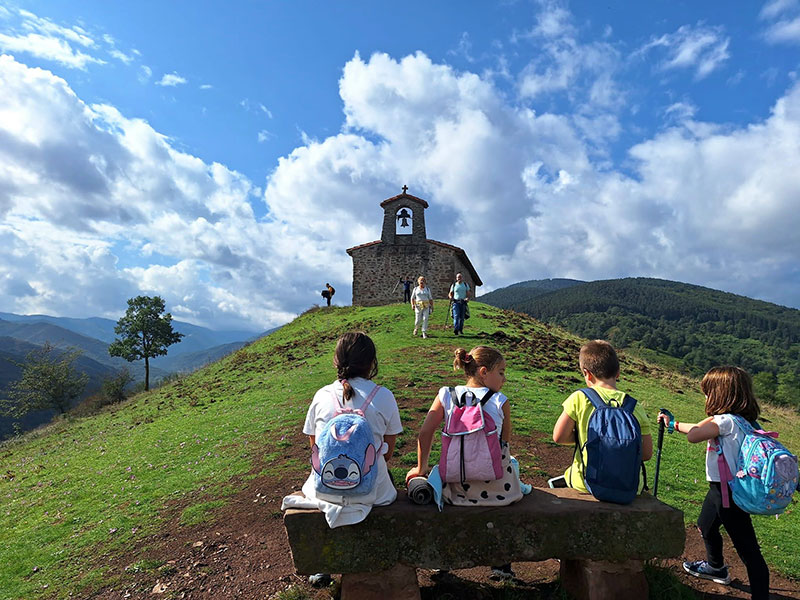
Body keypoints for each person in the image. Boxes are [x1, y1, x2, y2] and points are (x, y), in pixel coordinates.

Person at [405, 345, 528, 581]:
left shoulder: (445, 395)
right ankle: (501, 567)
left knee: (437, 475)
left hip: (456, 487)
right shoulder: (501, 401)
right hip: (498, 491)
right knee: (512, 463)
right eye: (501, 372)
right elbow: (505, 445)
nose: (504, 378)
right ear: (483, 372)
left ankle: (443, 563)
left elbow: (424, 433)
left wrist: (420, 468)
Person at [656, 367, 769, 599]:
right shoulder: (746, 421)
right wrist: (673, 424)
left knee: (748, 549)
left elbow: (695, 435)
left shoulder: (724, 421)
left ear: (720, 395)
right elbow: (698, 429)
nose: (705, 397)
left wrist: (710, 416)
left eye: (708, 393)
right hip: (721, 489)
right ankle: (715, 567)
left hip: (727, 493)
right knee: (706, 524)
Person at [281, 332, 402, 529]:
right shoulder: (384, 396)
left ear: (336, 361)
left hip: (321, 490)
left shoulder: (321, 395)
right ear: (372, 363)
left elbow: (316, 450)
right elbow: (387, 454)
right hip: (375, 493)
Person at [551, 340, 653, 492]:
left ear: (587, 373)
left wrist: (588, 438)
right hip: (627, 488)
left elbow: (559, 437)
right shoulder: (635, 407)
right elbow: (645, 454)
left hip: (585, 485)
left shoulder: (579, 398)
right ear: (618, 372)